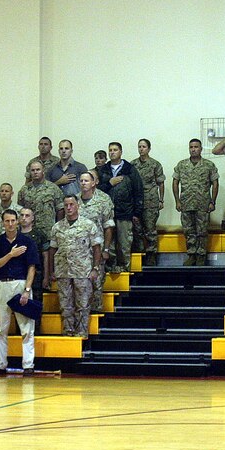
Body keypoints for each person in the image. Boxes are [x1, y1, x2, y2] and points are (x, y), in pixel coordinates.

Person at [0, 209, 39, 376]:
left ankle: (28, 365)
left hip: (20, 285)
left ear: (17, 222)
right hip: (2, 285)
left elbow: (32, 268)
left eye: (12, 221)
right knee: (1, 329)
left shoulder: (27, 242)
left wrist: (27, 290)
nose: (10, 224)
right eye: (7, 221)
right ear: (3, 223)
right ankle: (0, 364)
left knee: (26, 328)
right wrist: (10, 255)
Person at [45, 195, 102, 338]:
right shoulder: (57, 227)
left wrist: (95, 268)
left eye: (71, 204)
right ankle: (68, 333)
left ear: (77, 206)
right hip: (63, 271)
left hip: (82, 271)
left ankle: (81, 335)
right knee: (65, 306)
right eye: (66, 205)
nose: (69, 208)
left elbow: (96, 248)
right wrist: (52, 271)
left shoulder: (88, 225)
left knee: (82, 305)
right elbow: (52, 250)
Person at [96, 142, 143, 273]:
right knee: (109, 245)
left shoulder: (130, 169)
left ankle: (124, 271)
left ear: (121, 152)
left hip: (125, 213)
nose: (112, 152)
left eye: (115, 150)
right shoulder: (102, 170)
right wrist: (109, 183)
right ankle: (110, 268)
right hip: (107, 214)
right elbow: (97, 190)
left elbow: (138, 191)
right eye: (110, 150)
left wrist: (136, 213)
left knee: (124, 244)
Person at [172, 138, 219, 266]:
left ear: (201, 149)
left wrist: (212, 201)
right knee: (188, 231)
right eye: (191, 147)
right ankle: (191, 254)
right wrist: (177, 201)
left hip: (202, 204)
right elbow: (175, 182)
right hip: (186, 203)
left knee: (202, 231)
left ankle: (201, 256)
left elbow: (215, 183)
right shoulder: (181, 165)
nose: (193, 149)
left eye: (196, 147)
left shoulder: (209, 165)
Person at [77, 170, 114, 311]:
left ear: (94, 183)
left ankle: (96, 317)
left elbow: (108, 226)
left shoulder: (103, 200)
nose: (83, 183)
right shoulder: (74, 201)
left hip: (96, 251)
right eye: (81, 181)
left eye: (86, 181)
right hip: (78, 252)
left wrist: (106, 249)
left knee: (96, 285)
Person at [18, 161, 64, 250]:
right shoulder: (24, 190)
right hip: (29, 232)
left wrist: (58, 228)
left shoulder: (53, 188)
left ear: (43, 171)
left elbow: (60, 209)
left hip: (48, 232)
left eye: (38, 170)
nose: (35, 172)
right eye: (33, 170)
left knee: (48, 259)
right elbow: (20, 210)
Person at [132, 138, 165, 265]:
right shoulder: (133, 164)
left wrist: (161, 200)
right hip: (137, 202)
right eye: (139, 146)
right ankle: (140, 255)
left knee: (150, 229)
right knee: (137, 229)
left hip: (151, 201)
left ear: (149, 149)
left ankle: (151, 255)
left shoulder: (155, 164)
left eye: (144, 147)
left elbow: (161, 183)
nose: (141, 149)